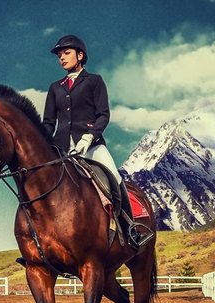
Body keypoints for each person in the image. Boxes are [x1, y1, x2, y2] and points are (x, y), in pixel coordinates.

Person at [43, 34, 148, 248]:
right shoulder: (55, 87)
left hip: (91, 146)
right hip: (62, 149)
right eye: (59, 55)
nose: (61, 58)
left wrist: (89, 136)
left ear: (80, 55)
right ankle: (40, 242)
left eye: (66, 53)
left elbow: (103, 114)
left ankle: (130, 229)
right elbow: (48, 122)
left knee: (115, 177)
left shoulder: (94, 81)